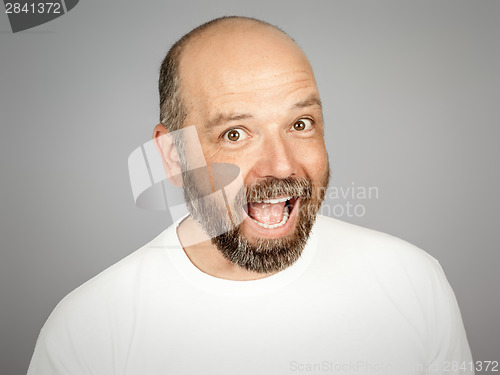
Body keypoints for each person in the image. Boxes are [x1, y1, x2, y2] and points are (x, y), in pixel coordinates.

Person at [28, 16, 473, 374]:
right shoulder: (87, 331)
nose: (281, 166)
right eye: (235, 133)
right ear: (172, 156)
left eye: (300, 124)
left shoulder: (414, 282)